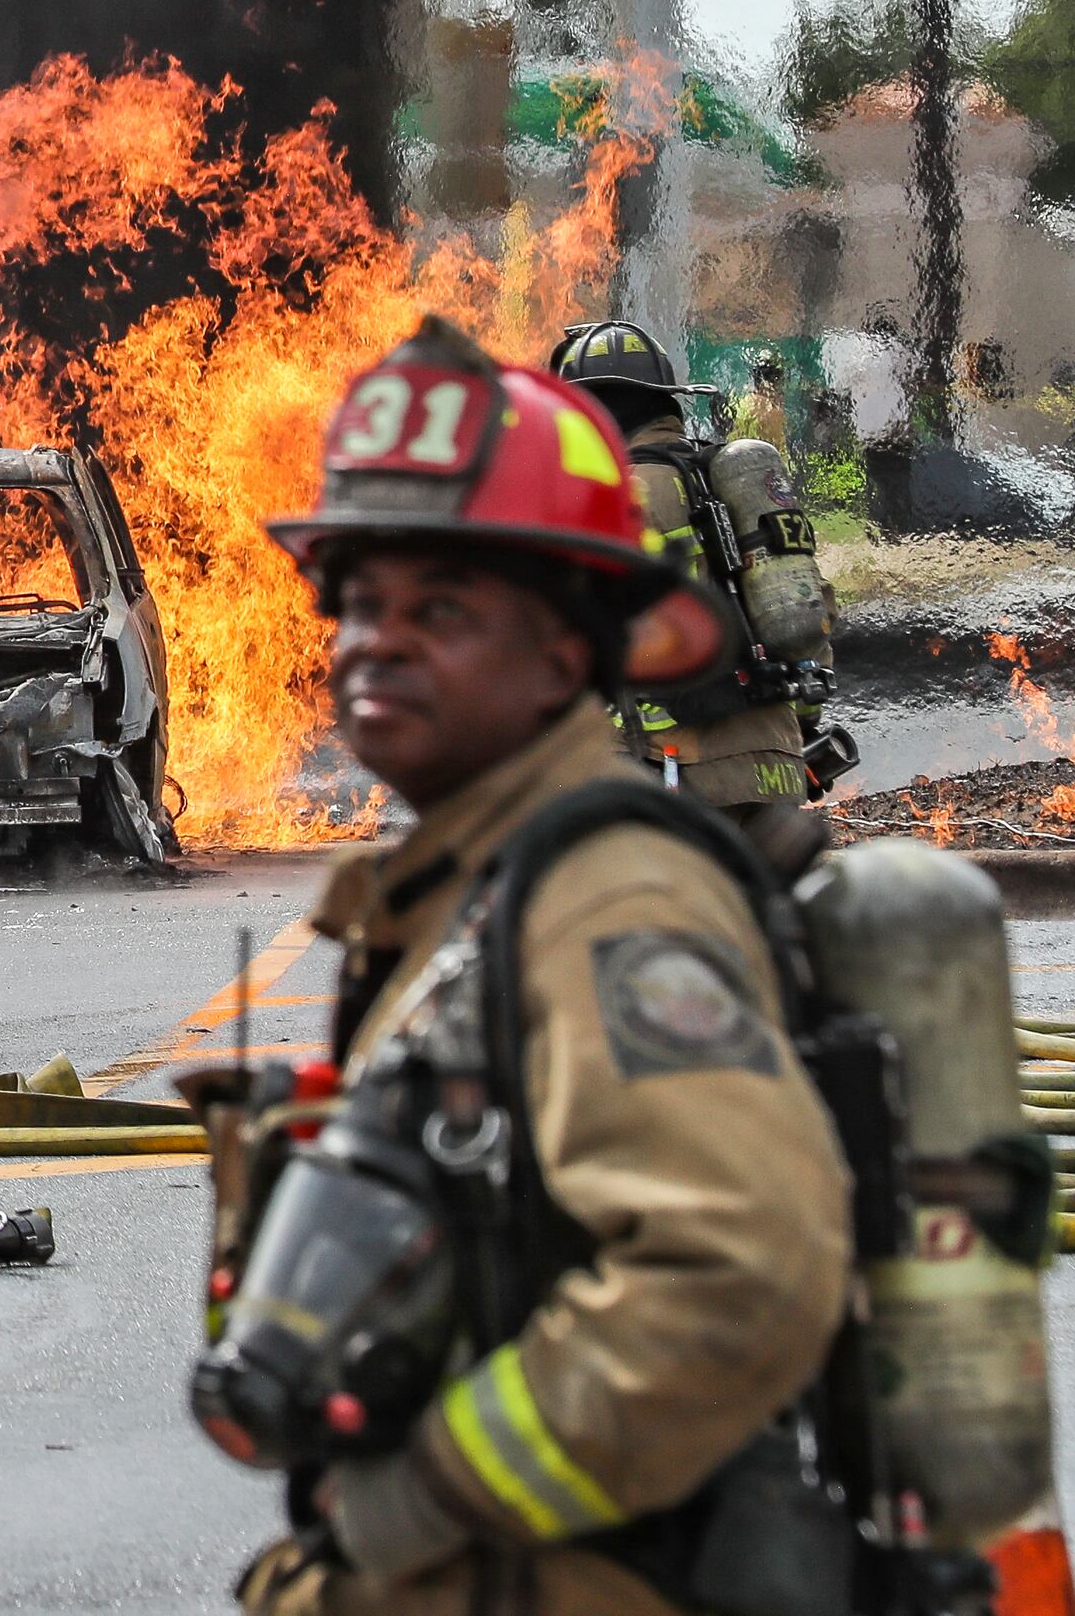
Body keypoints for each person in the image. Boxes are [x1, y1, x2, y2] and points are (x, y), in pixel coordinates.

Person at [221, 317, 851, 1614]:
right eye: (362, 599)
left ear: (571, 652)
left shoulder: (606, 900)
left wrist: (429, 1496)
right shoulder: (469, 886)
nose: (376, 643)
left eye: (442, 606)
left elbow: (735, 1281)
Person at [549, 320, 831, 858]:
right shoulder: (728, 481)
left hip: (671, 773)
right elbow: (810, 618)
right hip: (775, 769)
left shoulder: (619, 498)